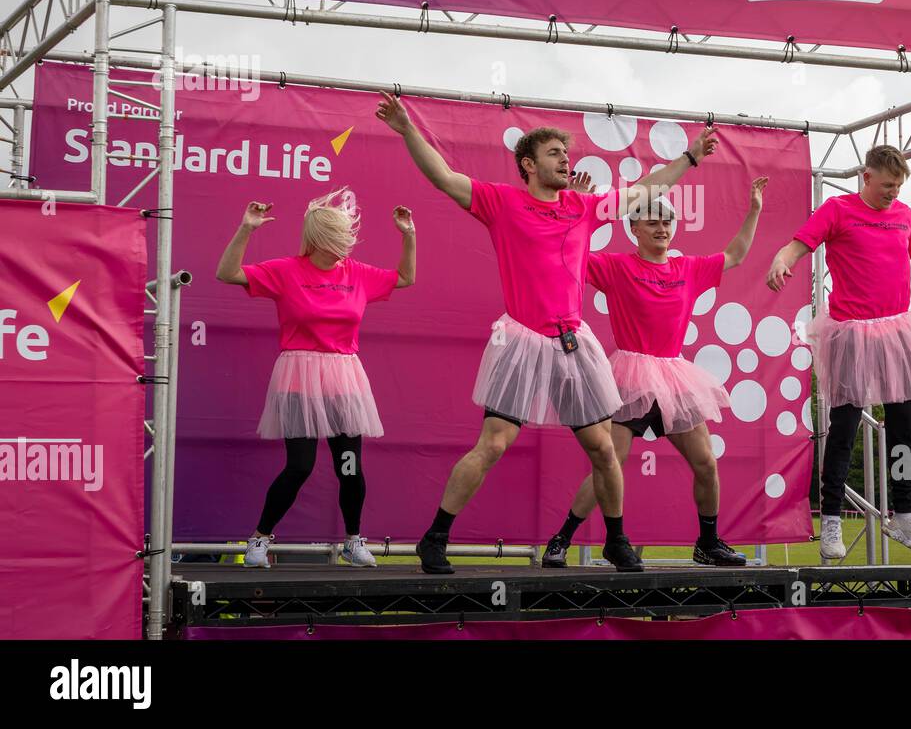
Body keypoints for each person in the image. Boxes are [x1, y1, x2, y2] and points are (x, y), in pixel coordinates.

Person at [374, 91, 718, 574]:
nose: (565, 160)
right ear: (527, 165)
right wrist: (408, 129)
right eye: (555, 153)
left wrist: (688, 158)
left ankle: (616, 542)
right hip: (522, 341)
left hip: (574, 343)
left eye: (566, 152)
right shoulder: (500, 202)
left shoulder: (581, 206)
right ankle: (435, 538)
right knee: (493, 443)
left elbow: (643, 189)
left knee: (603, 448)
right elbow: (444, 178)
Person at [766, 145, 911, 560]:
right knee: (843, 429)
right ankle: (833, 520)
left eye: (898, 186)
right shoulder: (837, 210)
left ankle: (906, 515)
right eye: (887, 185)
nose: (892, 193)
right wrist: (781, 261)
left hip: (897, 332)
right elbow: (798, 245)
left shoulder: (905, 216)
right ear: (866, 176)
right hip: (851, 333)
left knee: (903, 429)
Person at [542, 177, 769, 569]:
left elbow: (734, 255)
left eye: (667, 221)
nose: (662, 228)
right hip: (630, 375)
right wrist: (568, 205)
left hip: (674, 378)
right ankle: (561, 539)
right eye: (652, 222)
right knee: (609, 461)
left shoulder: (688, 268)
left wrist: (754, 211)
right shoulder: (615, 266)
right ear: (633, 229)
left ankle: (709, 543)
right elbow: (567, 250)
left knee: (705, 462)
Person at [216, 187, 416, 568]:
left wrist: (408, 234)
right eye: (338, 238)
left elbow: (406, 277)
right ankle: (259, 540)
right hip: (299, 376)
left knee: (349, 465)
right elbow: (227, 273)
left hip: (343, 376)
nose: (346, 245)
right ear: (321, 239)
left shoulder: (357, 274)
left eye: (347, 237)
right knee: (300, 466)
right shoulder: (286, 271)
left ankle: (353, 541)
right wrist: (246, 228)